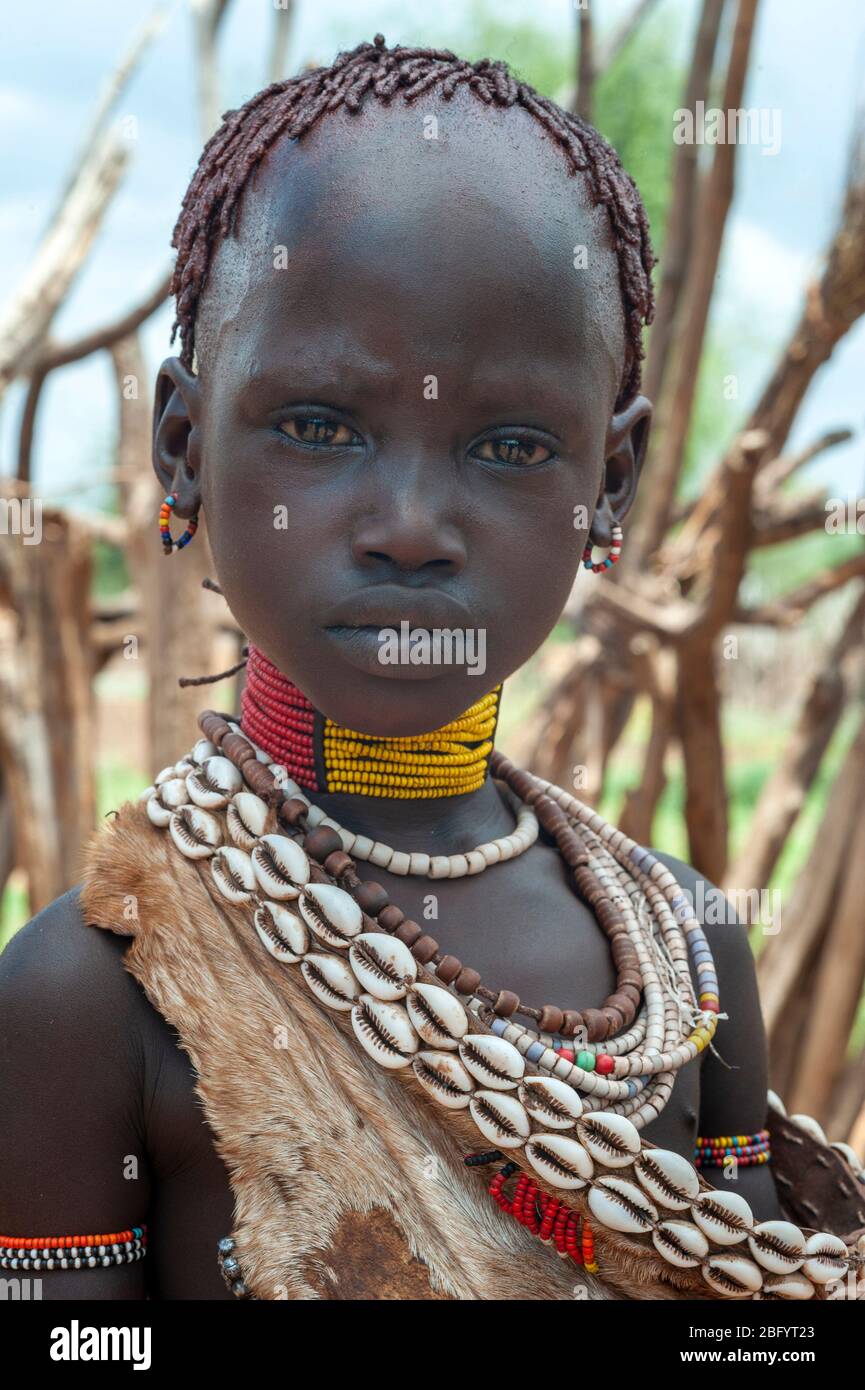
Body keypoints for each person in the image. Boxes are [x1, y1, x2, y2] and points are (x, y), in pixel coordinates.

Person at [2, 36, 863, 1303]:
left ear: (607, 485)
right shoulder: (96, 990)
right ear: (183, 448)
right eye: (318, 426)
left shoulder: (686, 946)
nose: (410, 521)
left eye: (510, 446)